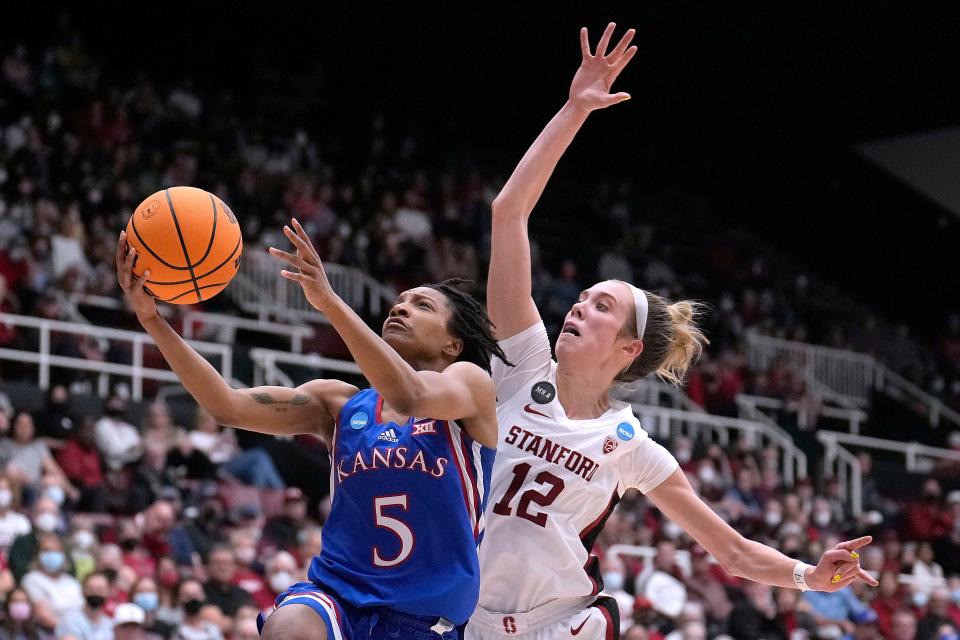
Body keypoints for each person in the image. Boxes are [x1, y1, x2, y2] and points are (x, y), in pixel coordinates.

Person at [466, 22, 879, 640]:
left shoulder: (630, 444)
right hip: (459, 614)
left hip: (557, 623)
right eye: (580, 299)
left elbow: (732, 550)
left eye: (600, 305)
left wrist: (807, 578)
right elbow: (509, 212)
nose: (577, 307)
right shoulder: (522, 365)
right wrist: (575, 108)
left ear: (629, 348)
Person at [117, 218, 504, 640]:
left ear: (453, 344)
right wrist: (152, 320)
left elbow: (409, 394)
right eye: (399, 302)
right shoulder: (337, 404)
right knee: (287, 627)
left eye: (422, 306)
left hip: (425, 618)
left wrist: (330, 303)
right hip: (339, 596)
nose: (400, 307)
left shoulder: (469, 386)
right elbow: (226, 406)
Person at [54, 572, 113, 640]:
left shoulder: (110, 625)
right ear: (82, 590)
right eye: (91, 589)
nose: (96, 593)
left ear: (108, 592)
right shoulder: (69, 621)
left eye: (100, 589)